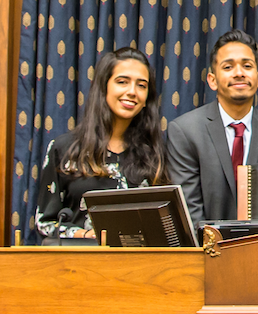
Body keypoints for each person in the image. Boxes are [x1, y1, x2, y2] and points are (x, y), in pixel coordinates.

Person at [36, 47, 167, 239]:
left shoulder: (156, 153)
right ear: (103, 87)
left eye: (141, 85)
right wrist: (85, 234)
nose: (132, 92)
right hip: (80, 262)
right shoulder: (64, 149)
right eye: (122, 82)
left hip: (140, 264)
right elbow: (45, 223)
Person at [166, 30, 258, 224]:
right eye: (228, 67)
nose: (239, 73)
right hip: (206, 249)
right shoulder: (185, 131)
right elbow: (189, 211)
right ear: (212, 80)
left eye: (247, 66)